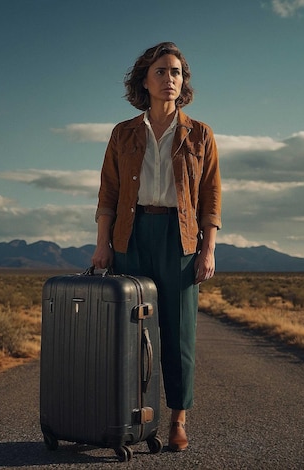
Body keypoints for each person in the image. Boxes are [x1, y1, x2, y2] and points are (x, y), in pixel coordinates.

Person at [91, 41, 222, 452]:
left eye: (177, 73)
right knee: (131, 333)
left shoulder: (200, 133)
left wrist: (208, 248)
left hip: (180, 239)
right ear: (144, 80)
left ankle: (177, 420)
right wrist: (102, 247)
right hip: (131, 235)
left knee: (178, 334)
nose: (170, 79)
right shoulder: (123, 133)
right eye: (162, 72)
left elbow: (211, 196)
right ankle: (132, 415)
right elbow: (108, 194)